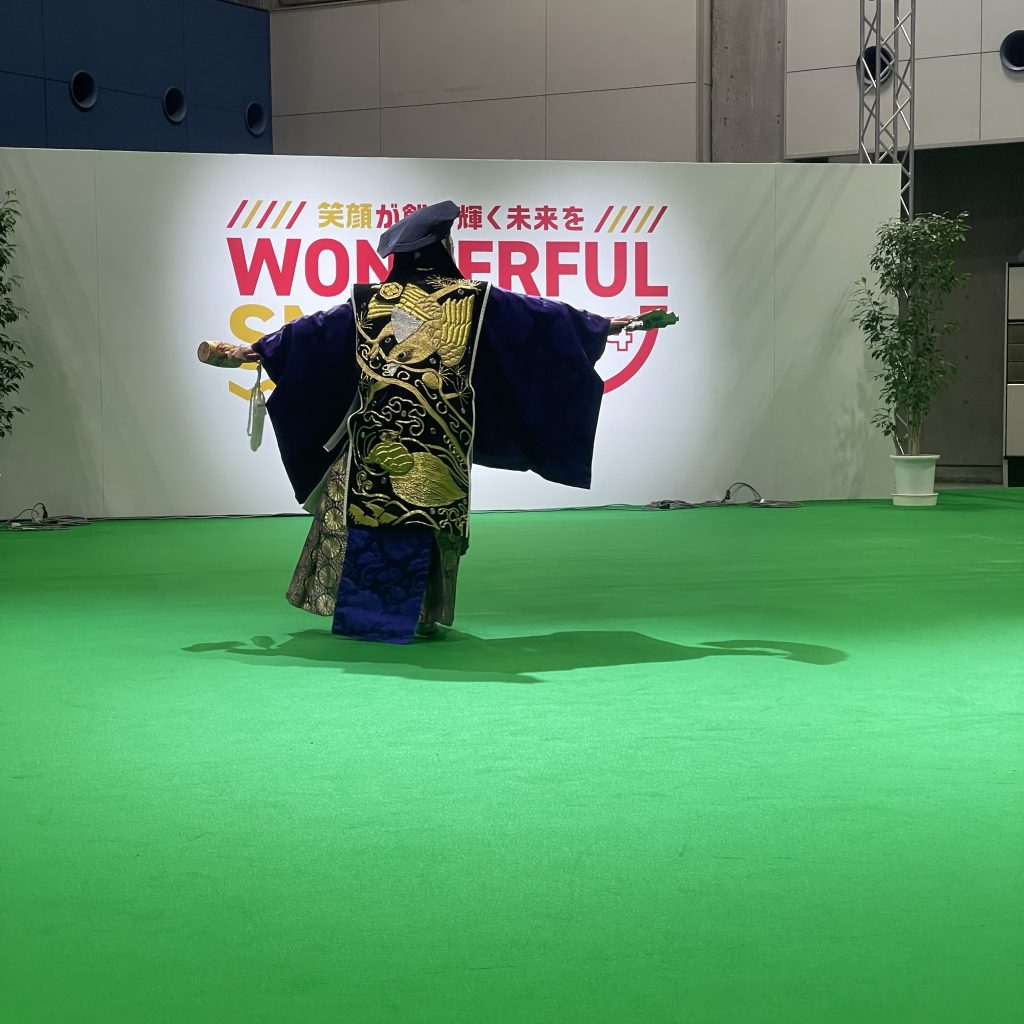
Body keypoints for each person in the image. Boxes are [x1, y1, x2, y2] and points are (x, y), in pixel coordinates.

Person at [203, 201, 640, 643]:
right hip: (441, 435)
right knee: (427, 517)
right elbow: (540, 322)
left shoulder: (371, 301)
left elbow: (316, 333)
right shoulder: (473, 299)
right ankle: (421, 613)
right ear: (443, 246)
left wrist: (257, 350)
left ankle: (370, 616)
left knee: (370, 515)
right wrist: (601, 326)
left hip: (376, 436)